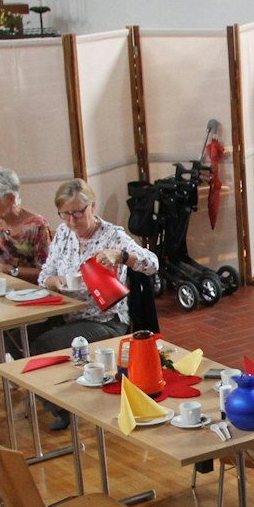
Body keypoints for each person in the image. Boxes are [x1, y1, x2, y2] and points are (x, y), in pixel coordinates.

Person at [34, 178, 159, 429]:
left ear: (92, 206)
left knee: (43, 344)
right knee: (22, 334)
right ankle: (58, 397)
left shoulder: (112, 236)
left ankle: (61, 407)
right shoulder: (63, 234)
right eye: (65, 214)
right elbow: (43, 275)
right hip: (68, 314)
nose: (71, 221)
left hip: (106, 319)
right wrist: (53, 280)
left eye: (77, 213)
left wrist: (122, 256)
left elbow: (152, 263)